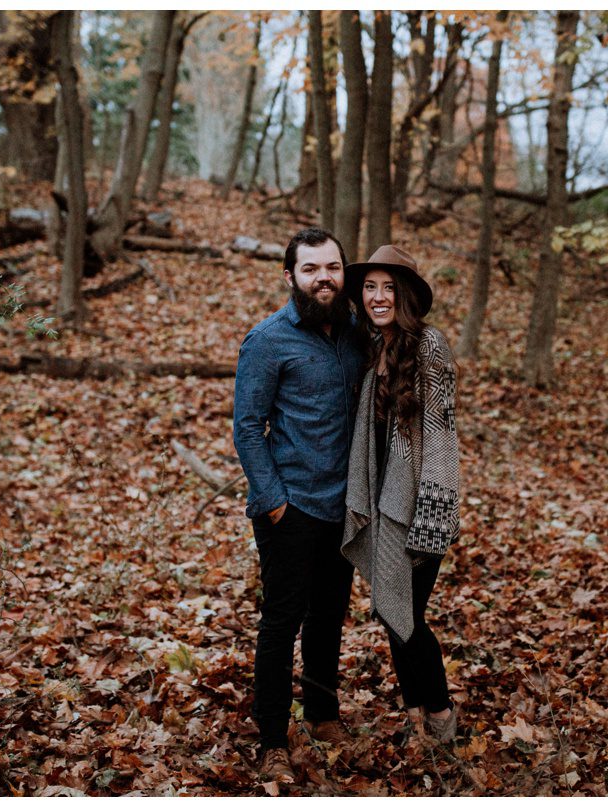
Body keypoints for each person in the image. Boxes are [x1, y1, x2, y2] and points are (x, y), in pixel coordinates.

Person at [232, 228, 365, 783]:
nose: (324, 278)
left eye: (332, 267)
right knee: (281, 622)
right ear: (290, 276)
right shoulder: (268, 340)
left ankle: (322, 712)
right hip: (290, 506)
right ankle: (270, 738)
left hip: (345, 506)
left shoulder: (359, 333)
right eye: (311, 269)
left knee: (329, 615)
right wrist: (273, 502)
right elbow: (247, 426)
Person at [340, 245, 462, 742]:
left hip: (417, 507)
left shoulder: (429, 345)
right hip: (384, 502)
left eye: (388, 287)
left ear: (405, 294)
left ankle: (440, 716)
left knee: (409, 618)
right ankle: (415, 716)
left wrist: (431, 518)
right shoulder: (374, 346)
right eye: (370, 287)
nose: (377, 296)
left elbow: (441, 434)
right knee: (394, 617)